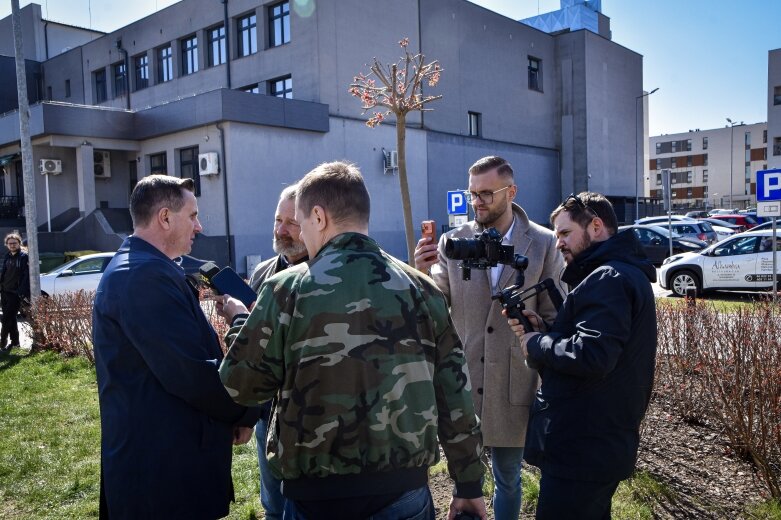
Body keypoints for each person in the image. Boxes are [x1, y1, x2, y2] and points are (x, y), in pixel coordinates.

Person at [218, 161, 487, 520]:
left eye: (300, 224)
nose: (300, 238)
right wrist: (468, 485)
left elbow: (241, 386)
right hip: (403, 492)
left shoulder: (287, 288)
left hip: (314, 496)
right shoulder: (421, 288)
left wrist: (239, 322)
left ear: (318, 217)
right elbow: (455, 391)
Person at [93, 175, 260, 519]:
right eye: (193, 215)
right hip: (162, 479)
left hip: (168, 465)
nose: (199, 226)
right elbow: (191, 373)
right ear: (165, 217)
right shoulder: (142, 276)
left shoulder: (147, 268)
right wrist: (247, 411)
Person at [414, 155, 563, 520]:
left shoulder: (544, 244)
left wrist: (531, 328)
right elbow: (436, 304)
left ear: (510, 191)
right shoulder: (455, 242)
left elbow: (554, 317)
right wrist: (419, 271)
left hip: (515, 382)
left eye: (485, 194)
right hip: (462, 381)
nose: (477, 202)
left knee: (508, 478)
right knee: (462, 478)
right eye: (472, 195)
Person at [507, 192, 657, 519]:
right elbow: (598, 345)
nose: (558, 242)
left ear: (597, 226)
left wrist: (535, 343)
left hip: (582, 448)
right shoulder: (620, 273)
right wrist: (547, 331)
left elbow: (592, 355)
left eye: (564, 233)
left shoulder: (608, 278)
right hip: (596, 444)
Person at [247, 184, 308, 519]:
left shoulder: (323, 274)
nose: (281, 230)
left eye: (291, 222)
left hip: (308, 420)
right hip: (266, 414)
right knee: (273, 508)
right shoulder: (263, 273)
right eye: (277, 220)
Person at [0, 231, 29, 352]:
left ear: (19, 243)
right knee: (11, 319)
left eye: (14, 243)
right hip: (5, 291)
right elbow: (5, 273)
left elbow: (26, 275)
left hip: (15, 293)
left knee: (6, 319)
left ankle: (2, 344)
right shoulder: (7, 256)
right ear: (6, 244)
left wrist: (20, 292)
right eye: (10, 243)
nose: (12, 245)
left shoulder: (23, 256)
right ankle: (15, 343)